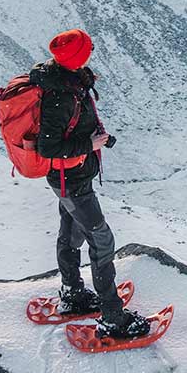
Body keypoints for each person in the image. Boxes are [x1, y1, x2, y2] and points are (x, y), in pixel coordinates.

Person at [32, 29, 151, 339]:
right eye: (88, 47)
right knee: (102, 242)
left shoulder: (70, 81)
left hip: (72, 179)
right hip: (71, 182)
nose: (93, 49)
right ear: (76, 57)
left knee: (71, 234)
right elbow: (48, 147)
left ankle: (72, 296)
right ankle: (113, 318)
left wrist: (99, 141)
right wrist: (89, 144)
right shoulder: (60, 96)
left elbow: (74, 133)